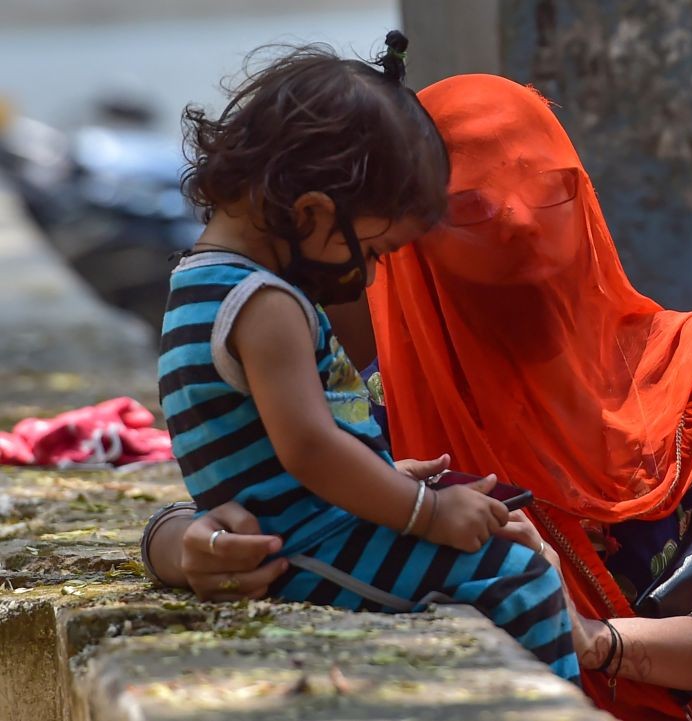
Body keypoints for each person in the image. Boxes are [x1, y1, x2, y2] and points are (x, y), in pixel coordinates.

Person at [145, 73, 692, 720]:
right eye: (478, 222)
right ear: (412, 256)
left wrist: (600, 643)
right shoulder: (398, 402)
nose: (529, 246)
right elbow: (277, 480)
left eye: (551, 200)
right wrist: (180, 546)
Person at [155, 36, 579, 682]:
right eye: (374, 251)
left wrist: (384, 472)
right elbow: (311, 448)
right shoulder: (265, 304)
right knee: (518, 575)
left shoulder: (199, 281)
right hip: (310, 548)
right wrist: (426, 510)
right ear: (313, 212)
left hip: (298, 530)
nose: (373, 274)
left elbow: (279, 446)